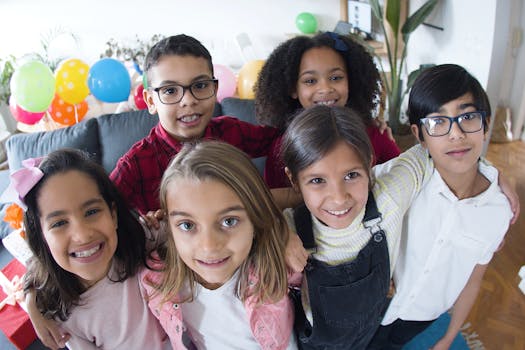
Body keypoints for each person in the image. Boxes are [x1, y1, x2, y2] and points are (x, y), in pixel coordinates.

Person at [368, 64, 513, 350]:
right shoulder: (400, 177)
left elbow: (474, 279)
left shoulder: (499, 211)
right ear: (419, 136)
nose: (456, 134)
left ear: (485, 126)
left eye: (468, 117)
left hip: (422, 317)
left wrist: (448, 337)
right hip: (372, 305)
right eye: (437, 122)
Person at [280, 105, 431, 349]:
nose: (339, 198)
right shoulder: (288, 229)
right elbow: (245, 212)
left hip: (372, 333)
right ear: (294, 180)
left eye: (351, 175)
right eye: (317, 181)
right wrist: (278, 232)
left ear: (369, 165)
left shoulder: (388, 199)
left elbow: (435, 150)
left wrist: (488, 173)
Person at [140, 141, 298, 349]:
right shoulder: (157, 279)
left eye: (229, 221)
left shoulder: (279, 262)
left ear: (255, 218)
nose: (209, 246)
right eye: (187, 225)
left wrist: (284, 229)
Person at [7, 149, 169, 349]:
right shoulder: (62, 313)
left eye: (92, 211)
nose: (82, 235)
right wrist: (31, 297)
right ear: (42, 238)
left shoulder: (141, 240)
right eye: (59, 223)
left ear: (113, 215)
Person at [110, 34, 280, 215]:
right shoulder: (135, 164)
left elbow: (282, 139)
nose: (188, 101)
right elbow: (102, 209)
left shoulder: (231, 132)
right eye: (170, 90)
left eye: (199, 86)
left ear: (214, 90)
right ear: (151, 101)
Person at [255, 31, 401, 189]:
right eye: (310, 81)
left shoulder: (376, 136)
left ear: (351, 82)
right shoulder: (281, 147)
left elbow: (403, 183)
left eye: (336, 78)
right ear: (293, 89)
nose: (325, 89)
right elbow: (274, 203)